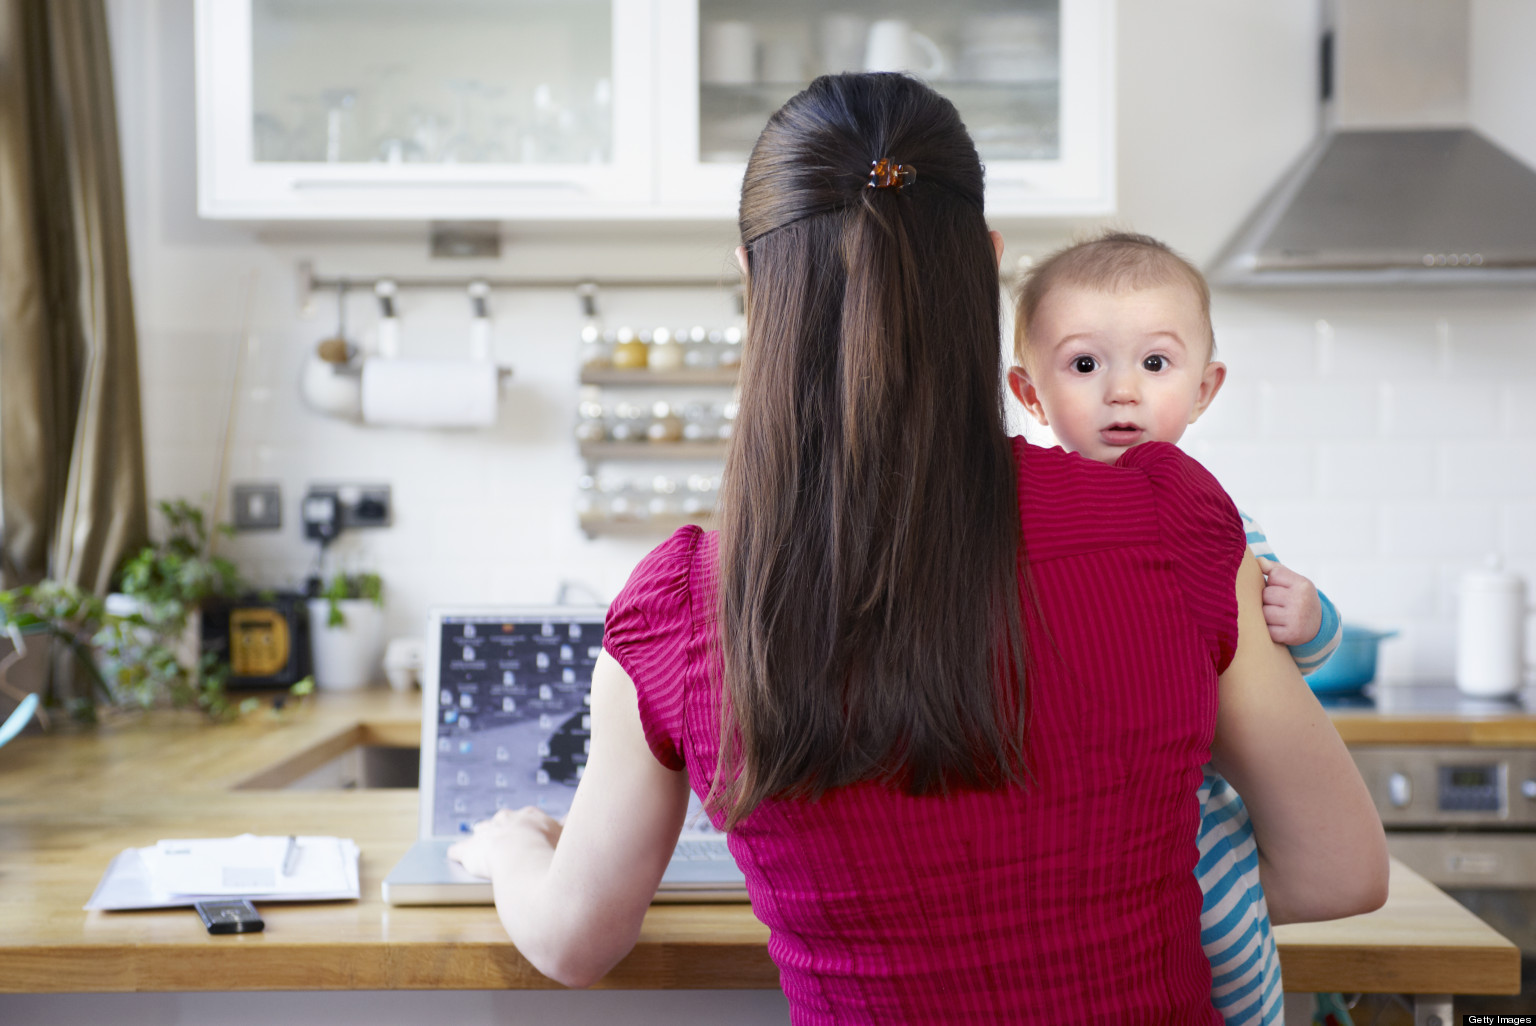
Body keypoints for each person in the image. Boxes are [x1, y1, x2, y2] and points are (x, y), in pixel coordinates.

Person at [449, 74, 1387, 1023]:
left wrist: (514, 847)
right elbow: (1341, 871)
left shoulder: (681, 605)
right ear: (984, 260)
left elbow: (575, 941)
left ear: (752, 276)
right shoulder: (1169, 521)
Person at [1006, 230, 1344, 1025]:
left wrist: (1309, 616)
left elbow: (1309, 655)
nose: (1122, 392)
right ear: (1029, 392)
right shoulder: (1019, 525)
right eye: (1085, 365)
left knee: (1231, 949)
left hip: (1201, 815)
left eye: (1155, 364)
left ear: (1204, 387)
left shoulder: (1216, 522)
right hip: (1072, 819)